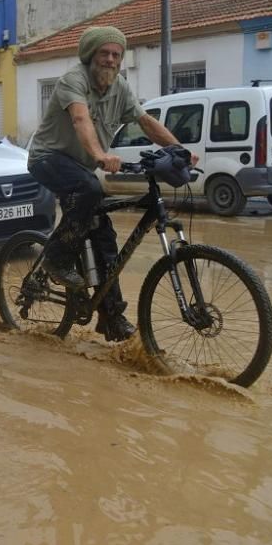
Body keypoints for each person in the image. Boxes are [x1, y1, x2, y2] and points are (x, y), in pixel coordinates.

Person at [27, 26, 198, 342]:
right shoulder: (73, 80)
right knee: (90, 189)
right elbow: (80, 119)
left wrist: (180, 151)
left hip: (79, 167)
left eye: (116, 55)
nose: (110, 59)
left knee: (103, 235)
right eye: (104, 53)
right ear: (91, 56)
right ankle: (55, 259)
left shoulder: (120, 87)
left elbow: (145, 121)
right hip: (47, 159)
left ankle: (111, 316)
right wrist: (100, 155)